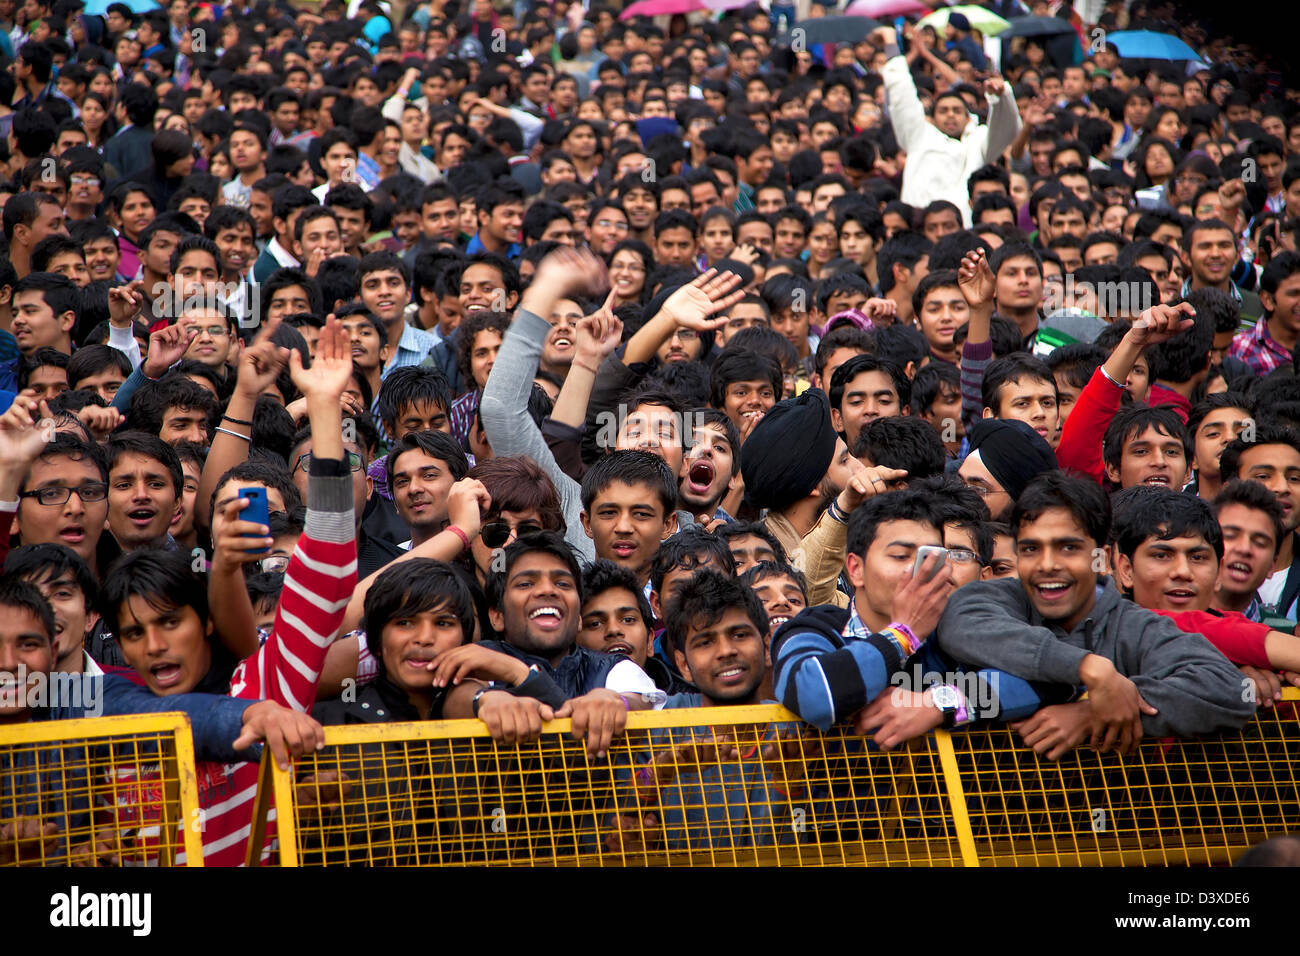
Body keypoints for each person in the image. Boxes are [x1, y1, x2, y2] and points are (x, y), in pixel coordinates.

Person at [938, 473, 1254, 759]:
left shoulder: (1136, 626)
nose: (1047, 564)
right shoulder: (996, 598)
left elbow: (1228, 689)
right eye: (1032, 549)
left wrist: (1094, 713)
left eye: (1068, 548)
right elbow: (963, 623)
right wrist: (1089, 669)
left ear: (1101, 558)